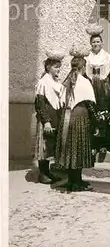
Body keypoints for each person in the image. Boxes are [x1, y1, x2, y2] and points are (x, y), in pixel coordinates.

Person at [55, 45, 101, 192]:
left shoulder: (66, 81)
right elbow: (90, 103)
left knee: (70, 149)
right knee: (79, 149)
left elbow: (61, 102)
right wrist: (96, 122)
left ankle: (72, 181)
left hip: (66, 117)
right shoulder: (85, 81)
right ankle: (77, 181)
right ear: (83, 67)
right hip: (80, 116)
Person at [34, 50, 64, 184]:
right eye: (56, 67)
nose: (58, 69)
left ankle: (48, 172)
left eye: (59, 67)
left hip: (55, 117)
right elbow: (39, 103)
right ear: (48, 67)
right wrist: (45, 121)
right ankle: (42, 174)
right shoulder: (43, 82)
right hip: (46, 119)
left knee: (51, 145)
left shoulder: (55, 82)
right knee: (44, 146)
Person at [85, 24, 110, 151]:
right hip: (90, 87)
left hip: (103, 89)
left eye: (98, 41)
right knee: (91, 112)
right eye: (93, 42)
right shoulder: (87, 56)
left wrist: (109, 90)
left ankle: (102, 143)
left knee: (103, 113)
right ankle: (92, 144)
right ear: (90, 44)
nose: (96, 44)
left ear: (102, 43)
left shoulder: (107, 57)